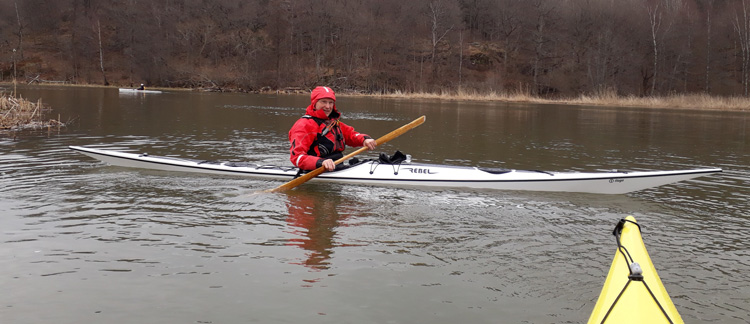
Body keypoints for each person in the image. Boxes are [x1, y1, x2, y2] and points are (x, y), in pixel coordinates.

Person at [289, 86, 377, 171]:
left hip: (337, 167)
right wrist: (320, 162)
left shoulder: (333, 122)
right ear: (314, 103)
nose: (328, 106)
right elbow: (297, 157)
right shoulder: (303, 125)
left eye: (330, 102)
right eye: (323, 102)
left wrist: (364, 139)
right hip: (316, 169)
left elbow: (351, 135)